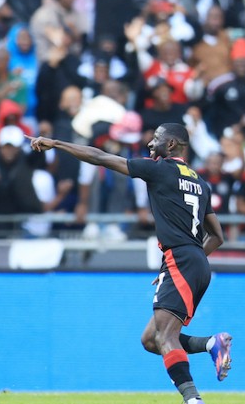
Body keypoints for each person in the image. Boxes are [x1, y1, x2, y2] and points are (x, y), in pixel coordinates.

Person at [28, 123, 230, 404]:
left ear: (171, 144)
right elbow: (218, 236)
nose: (151, 143)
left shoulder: (159, 169)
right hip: (197, 261)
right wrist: (189, 261)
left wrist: (58, 144)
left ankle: (193, 399)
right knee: (151, 339)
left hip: (181, 258)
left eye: (157, 138)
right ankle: (210, 343)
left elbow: (101, 158)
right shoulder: (200, 182)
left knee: (165, 336)